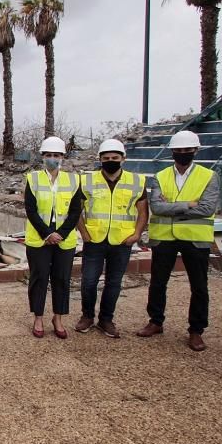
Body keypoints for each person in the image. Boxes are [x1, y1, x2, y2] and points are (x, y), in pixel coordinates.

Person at [138, 130, 219, 351]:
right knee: (157, 282)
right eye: (178, 151)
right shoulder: (160, 176)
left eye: (187, 150)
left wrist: (172, 207)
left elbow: (207, 208)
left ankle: (196, 330)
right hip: (164, 238)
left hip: (195, 239)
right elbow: (157, 207)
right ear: (172, 152)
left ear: (195, 151)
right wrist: (188, 204)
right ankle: (156, 321)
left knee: (199, 286)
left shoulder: (209, 176)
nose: (182, 154)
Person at [75, 139, 148, 338]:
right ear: (100, 159)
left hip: (122, 240)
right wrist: (83, 232)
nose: (110, 161)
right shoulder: (87, 180)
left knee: (114, 282)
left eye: (114, 158)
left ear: (123, 159)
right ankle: (87, 316)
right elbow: (77, 211)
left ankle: (106, 319)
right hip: (94, 239)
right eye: (106, 158)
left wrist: (137, 234)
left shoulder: (136, 181)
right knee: (89, 281)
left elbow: (142, 211)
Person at [24, 136, 82, 339]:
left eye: (56, 155)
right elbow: (30, 210)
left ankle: (58, 317)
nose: (52, 158)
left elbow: (75, 212)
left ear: (62, 157)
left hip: (64, 240)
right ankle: (38, 317)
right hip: (39, 239)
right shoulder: (33, 179)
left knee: (62, 279)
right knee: (39, 279)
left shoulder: (73, 180)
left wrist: (61, 234)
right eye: (49, 155)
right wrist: (47, 233)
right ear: (43, 157)